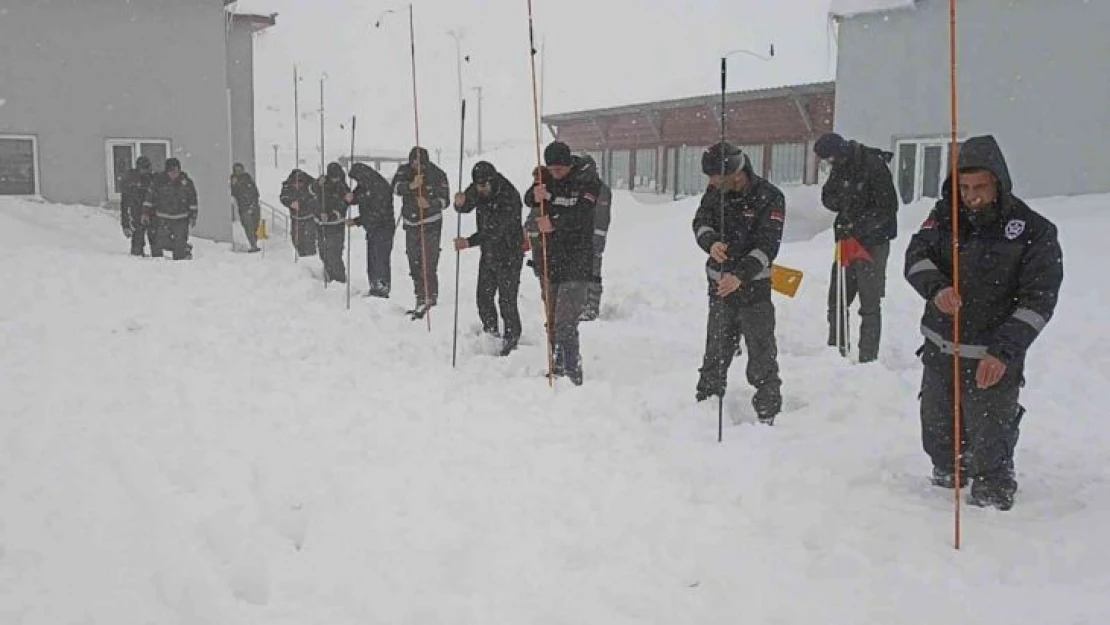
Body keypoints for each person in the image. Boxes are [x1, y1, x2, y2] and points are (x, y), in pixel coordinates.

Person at [903, 135, 1063, 511]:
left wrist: (1003, 351)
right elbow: (916, 257)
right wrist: (937, 288)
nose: (971, 196)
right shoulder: (943, 216)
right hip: (941, 348)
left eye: (980, 187)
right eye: (964, 187)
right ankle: (946, 474)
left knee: (990, 432)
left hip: (991, 356)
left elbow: (1038, 301)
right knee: (938, 426)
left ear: (999, 183)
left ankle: (992, 492)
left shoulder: (1034, 231)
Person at [692, 142, 785, 425]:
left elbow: (767, 247)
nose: (711, 183)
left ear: (736, 173)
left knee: (761, 354)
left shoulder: (770, 197)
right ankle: (705, 406)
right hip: (719, 290)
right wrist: (711, 243)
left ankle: (767, 413)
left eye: (715, 177)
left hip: (753, 291)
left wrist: (740, 276)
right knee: (715, 352)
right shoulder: (714, 194)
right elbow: (700, 222)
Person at [814, 132, 899, 362]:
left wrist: (858, 226)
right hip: (846, 240)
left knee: (869, 303)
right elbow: (828, 196)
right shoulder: (840, 166)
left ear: (840, 151)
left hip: (873, 243)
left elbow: (888, 208)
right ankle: (837, 352)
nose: (830, 164)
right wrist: (840, 203)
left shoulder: (873, 164)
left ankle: (867, 359)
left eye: (830, 158)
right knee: (837, 299)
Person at [523, 141, 602, 385]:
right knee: (553, 319)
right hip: (552, 260)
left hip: (577, 261)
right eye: (551, 169)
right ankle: (556, 363)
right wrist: (535, 195)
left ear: (568, 164)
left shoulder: (587, 181)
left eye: (559, 169)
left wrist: (554, 218)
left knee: (566, 321)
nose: (555, 174)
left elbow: (581, 214)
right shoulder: (548, 177)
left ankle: (572, 370)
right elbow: (529, 199)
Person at [453, 161, 526, 356]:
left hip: (510, 252)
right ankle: (490, 330)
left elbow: (494, 230)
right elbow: (466, 205)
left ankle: (512, 336)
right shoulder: (479, 186)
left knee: (506, 299)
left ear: (492, 181)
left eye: (484, 186)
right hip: (489, 253)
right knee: (483, 296)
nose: (480, 190)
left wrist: (468, 242)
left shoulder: (509, 196)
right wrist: (459, 203)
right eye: (477, 186)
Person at [391, 146, 450, 318]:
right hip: (410, 223)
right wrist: (411, 185)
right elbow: (394, 187)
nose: (416, 165)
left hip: (431, 223)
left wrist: (430, 204)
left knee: (428, 261)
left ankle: (430, 296)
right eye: (413, 162)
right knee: (414, 260)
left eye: (420, 163)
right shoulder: (404, 171)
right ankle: (419, 295)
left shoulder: (438, 174)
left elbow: (445, 200)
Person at [345, 162, 396, 298]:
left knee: (380, 260)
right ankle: (374, 286)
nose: (357, 182)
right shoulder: (365, 184)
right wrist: (350, 199)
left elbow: (377, 214)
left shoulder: (380, 186)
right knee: (372, 260)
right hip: (372, 229)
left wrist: (356, 221)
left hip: (383, 227)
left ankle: (382, 289)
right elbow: (358, 197)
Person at [578, 154, 612, 322]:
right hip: (581, 238)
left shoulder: (601, 189)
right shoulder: (581, 187)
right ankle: (582, 304)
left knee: (593, 273)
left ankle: (592, 306)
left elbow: (602, 216)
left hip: (595, 238)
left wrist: (598, 239)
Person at [143, 157, 197, 260]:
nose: (174, 174)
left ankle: (181, 258)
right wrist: (145, 213)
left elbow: (193, 200)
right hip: (163, 218)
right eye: (171, 171)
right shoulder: (158, 182)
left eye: (176, 171)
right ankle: (159, 264)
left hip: (181, 218)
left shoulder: (186, 183)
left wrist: (193, 216)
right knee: (159, 242)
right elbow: (149, 198)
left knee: (179, 243)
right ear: (167, 171)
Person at [315, 162, 350, 283]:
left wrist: (331, 215)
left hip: (336, 226)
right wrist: (317, 183)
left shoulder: (343, 187)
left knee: (335, 253)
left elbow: (343, 205)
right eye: (333, 177)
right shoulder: (322, 184)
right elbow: (312, 193)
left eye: (337, 177)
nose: (335, 180)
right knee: (323, 251)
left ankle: (339, 279)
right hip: (321, 225)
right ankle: (329, 275)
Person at [120, 155, 155, 256]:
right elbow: (124, 205)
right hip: (137, 214)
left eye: (148, 168)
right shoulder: (130, 181)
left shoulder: (153, 179)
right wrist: (125, 225)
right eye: (145, 168)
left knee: (156, 244)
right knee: (137, 245)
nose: (147, 171)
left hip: (152, 214)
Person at [280, 169, 318, 258]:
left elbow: (316, 199)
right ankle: (302, 256)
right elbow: (283, 197)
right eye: (295, 184)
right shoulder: (287, 186)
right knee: (296, 240)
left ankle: (311, 257)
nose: (297, 186)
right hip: (295, 218)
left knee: (309, 239)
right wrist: (290, 203)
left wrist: (303, 204)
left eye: (300, 184)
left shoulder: (312, 185)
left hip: (310, 217)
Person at [230, 162, 262, 253]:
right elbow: (234, 193)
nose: (239, 172)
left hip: (254, 205)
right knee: (249, 226)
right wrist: (234, 185)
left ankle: (254, 242)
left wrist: (255, 199)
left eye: (240, 169)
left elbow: (254, 189)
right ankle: (253, 245)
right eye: (237, 170)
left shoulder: (247, 177)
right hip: (244, 208)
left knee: (256, 224)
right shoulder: (234, 180)